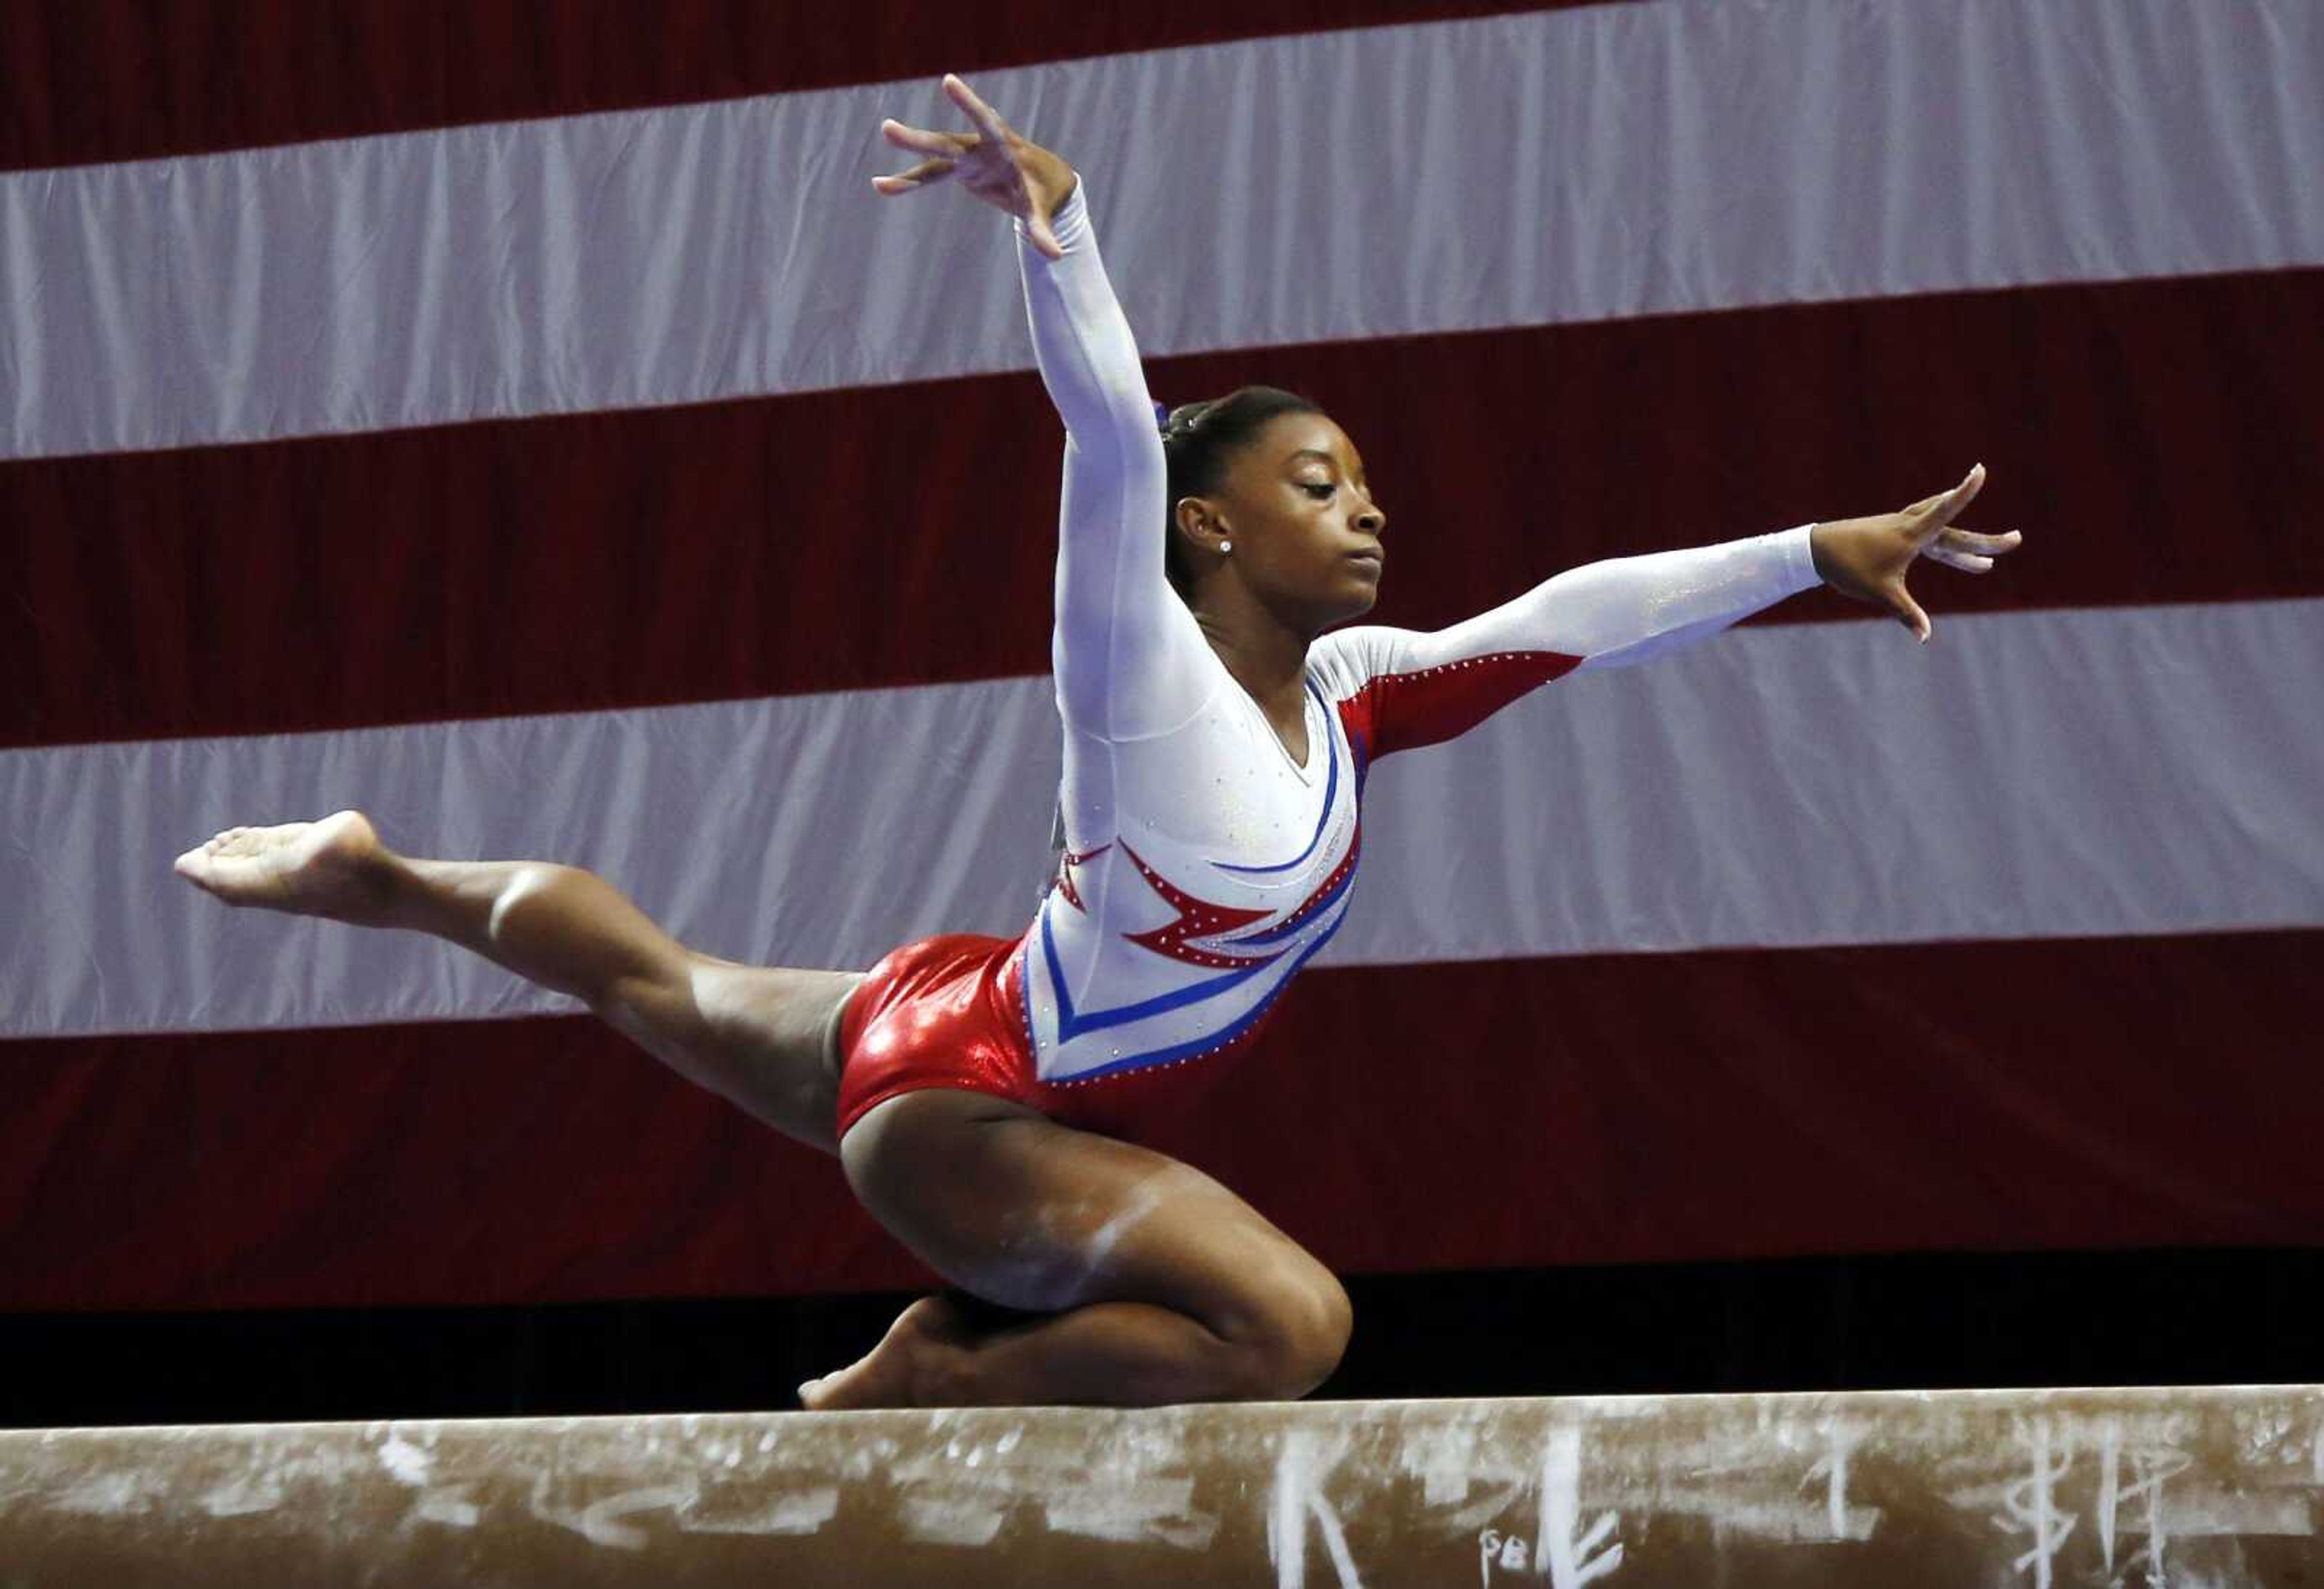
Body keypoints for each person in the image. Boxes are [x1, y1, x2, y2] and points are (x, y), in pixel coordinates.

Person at [174, 73, 2022, 1410]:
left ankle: (384, 872)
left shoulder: (1358, 691)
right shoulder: (1141, 677)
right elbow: (1116, 438)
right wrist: (1067, 235)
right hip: (981, 1115)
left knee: (655, 980)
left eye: (1367, 483)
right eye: (1319, 483)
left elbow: (1571, 616)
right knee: (1288, 1328)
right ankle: (934, 1384)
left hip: (962, 1013)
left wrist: (1810, 552)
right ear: (1214, 530)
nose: (1367, 513)